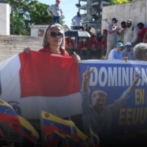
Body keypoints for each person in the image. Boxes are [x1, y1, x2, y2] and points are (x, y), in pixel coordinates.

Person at [81, 66, 140, 142]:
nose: (101, 102)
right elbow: (85, 94)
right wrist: (85, 81)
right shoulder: (86, 110)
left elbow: (123, 98)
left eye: (103, 100)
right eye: (98, 100)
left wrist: (134, 82)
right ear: (92, 100)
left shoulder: (109, 110)